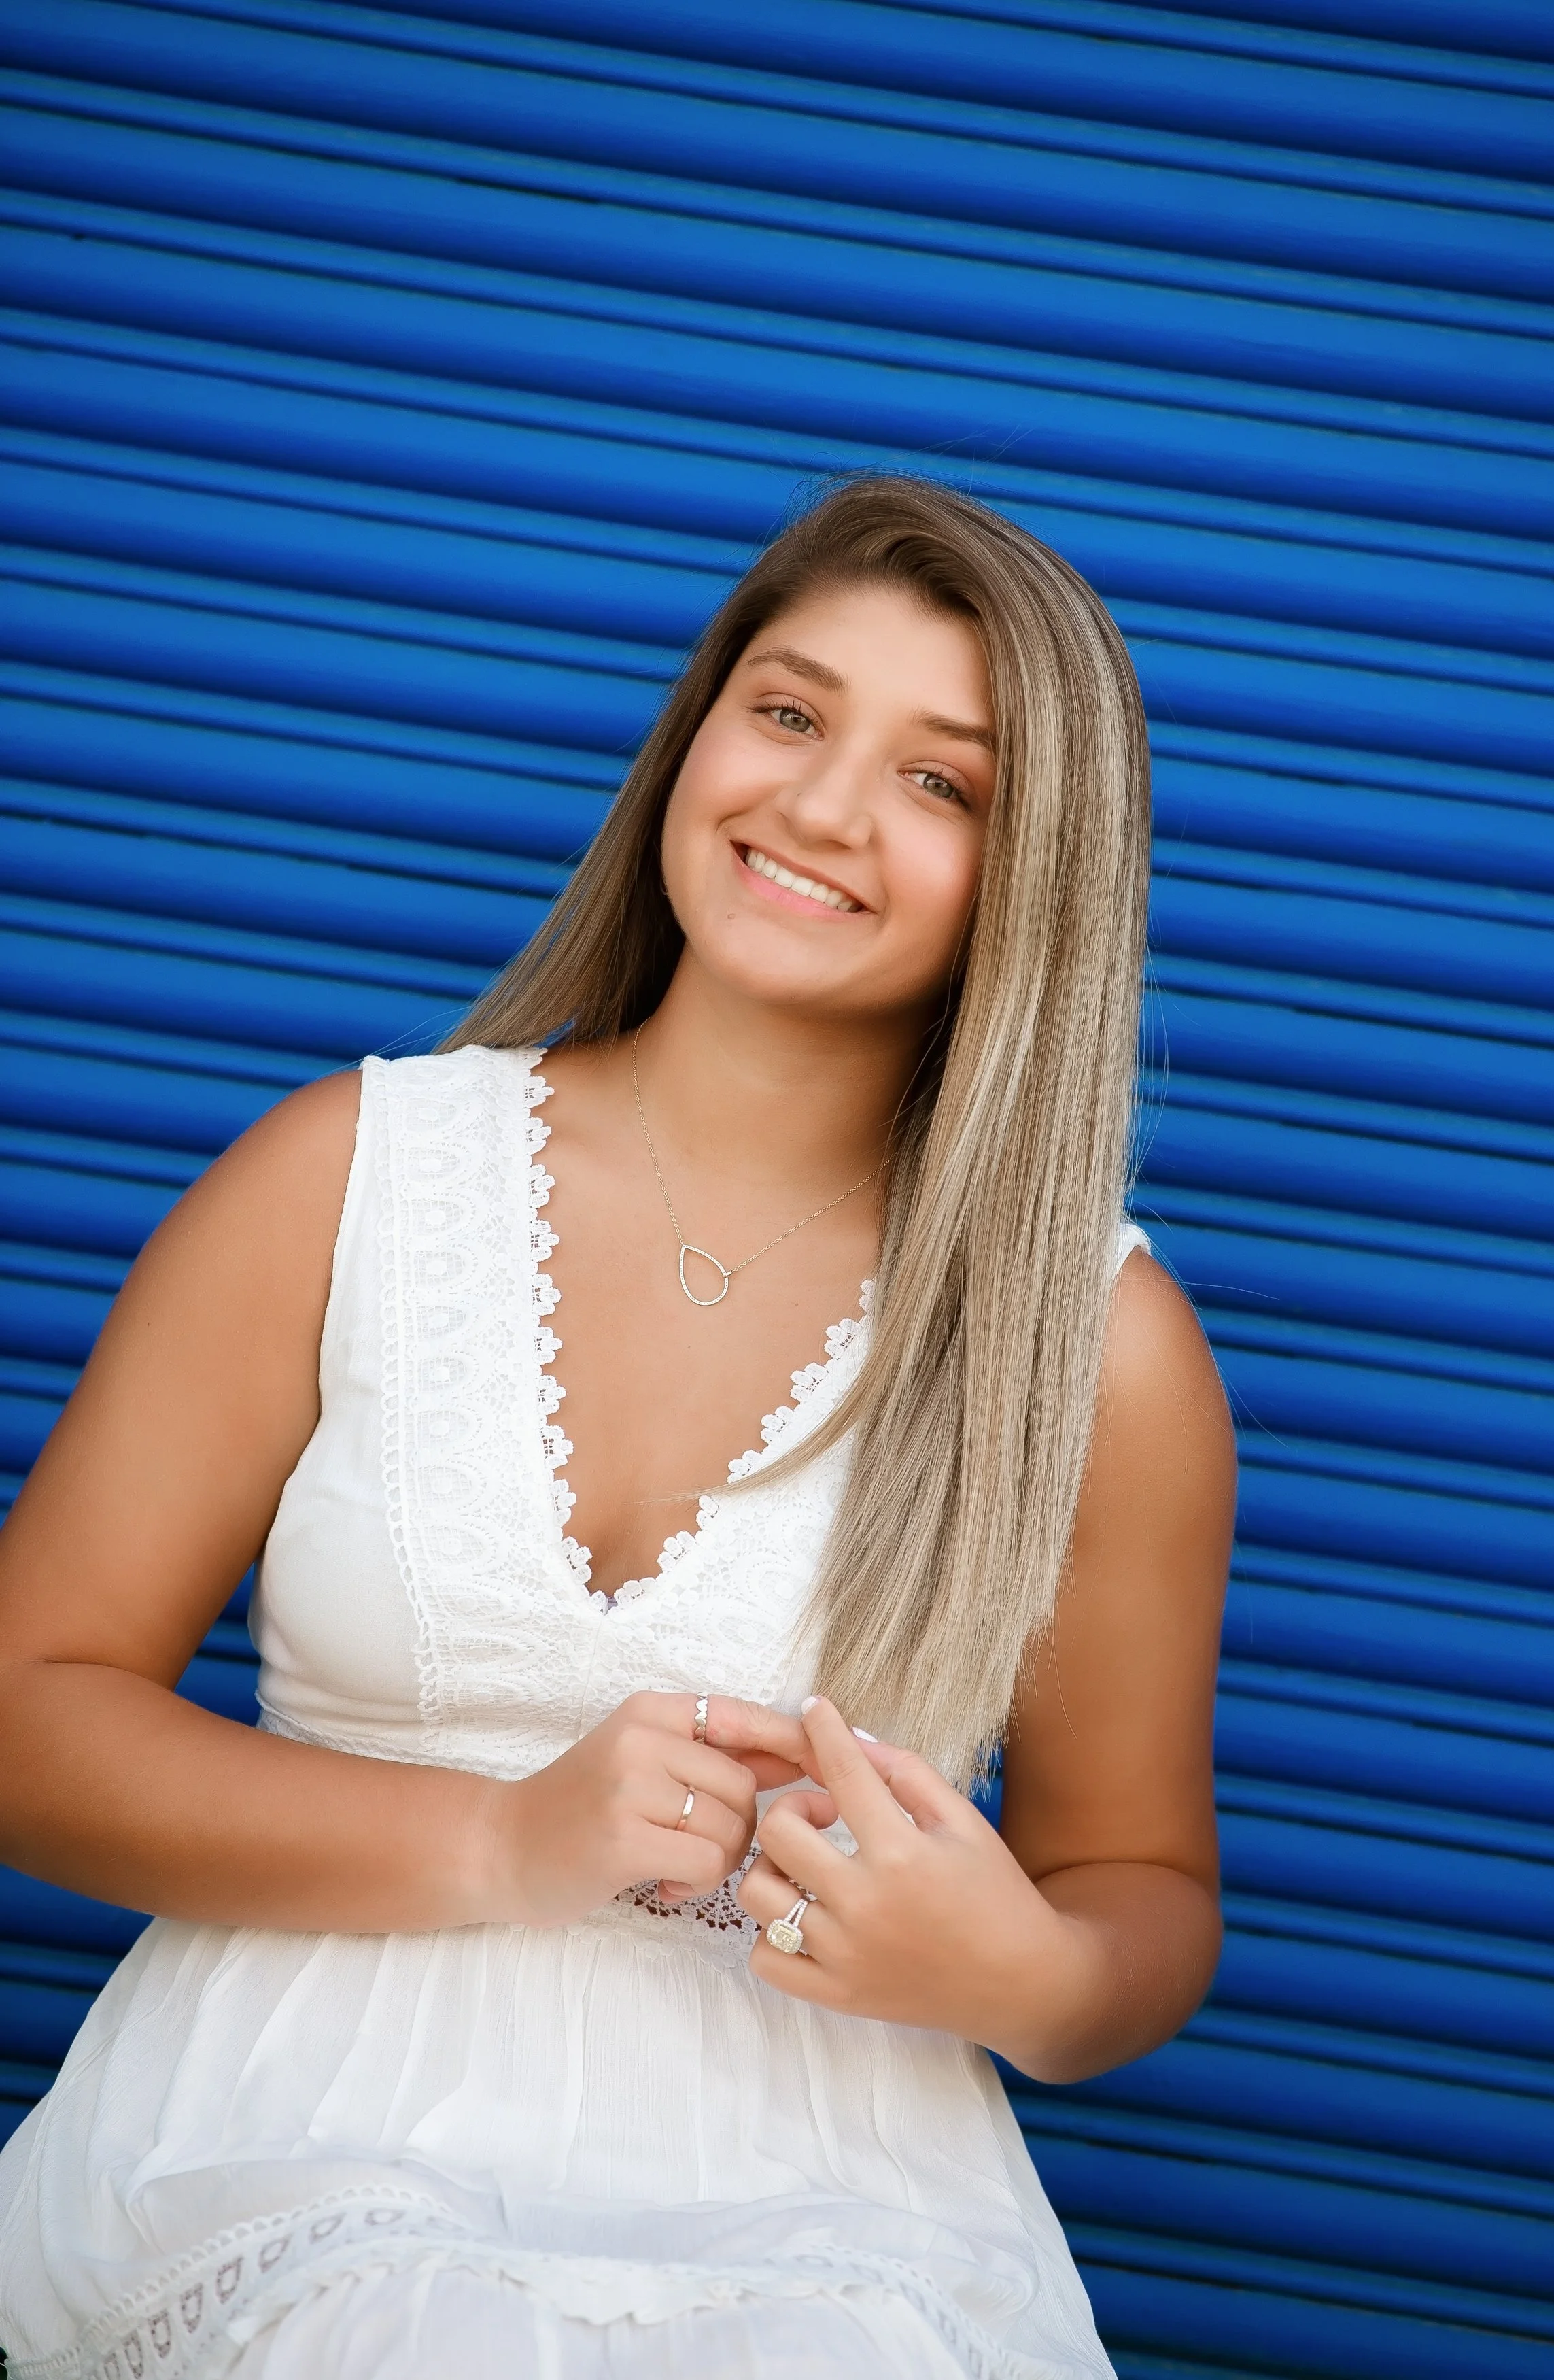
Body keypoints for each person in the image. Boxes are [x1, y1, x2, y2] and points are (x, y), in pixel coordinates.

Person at [0, 477, 1234, 2377]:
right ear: (697, 729)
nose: (821, 808)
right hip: (298, 2121)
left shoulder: (1097, 1343)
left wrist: (1032, 1980)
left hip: (831, 2183)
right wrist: (502, 1844)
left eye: (941, 780)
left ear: (1034, 869)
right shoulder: (349, 1174)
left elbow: (1134, 1891)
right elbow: (31, 1709)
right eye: (791, 710)